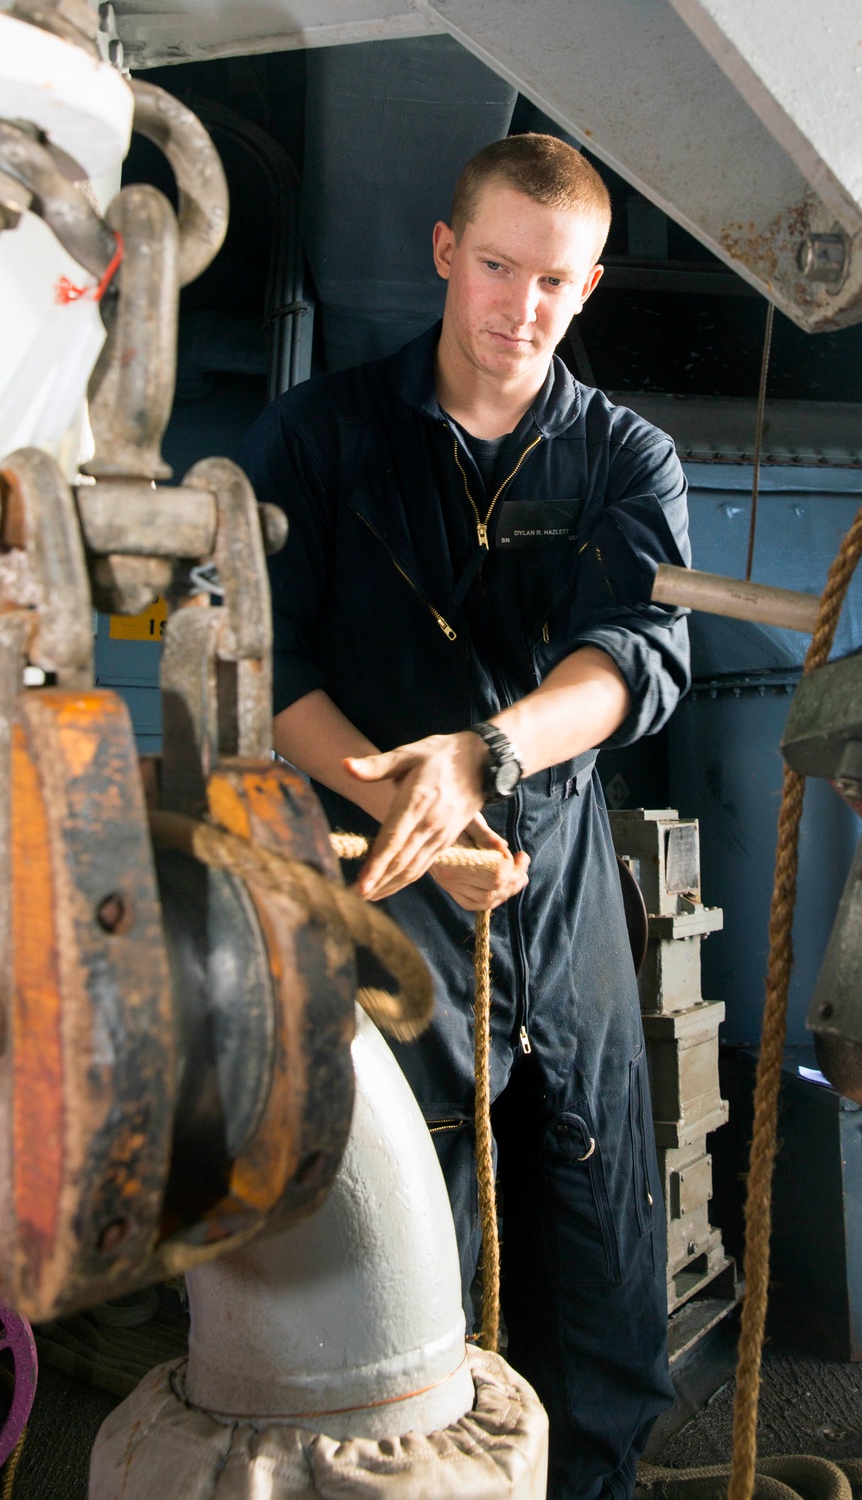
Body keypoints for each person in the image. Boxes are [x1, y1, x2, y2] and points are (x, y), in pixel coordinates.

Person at [237, 133, 691, 1500]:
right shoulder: (317, 437)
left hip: (560, 891)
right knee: (403, 1255)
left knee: (602, 1262)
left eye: (554, 281)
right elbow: (265, 666)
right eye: (496, 267)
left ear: (590, 285)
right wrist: (409, 802)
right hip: (379, 882)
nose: (521, 307)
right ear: (447, 254)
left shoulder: (624, 456)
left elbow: (633, 662)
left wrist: (485, 759)